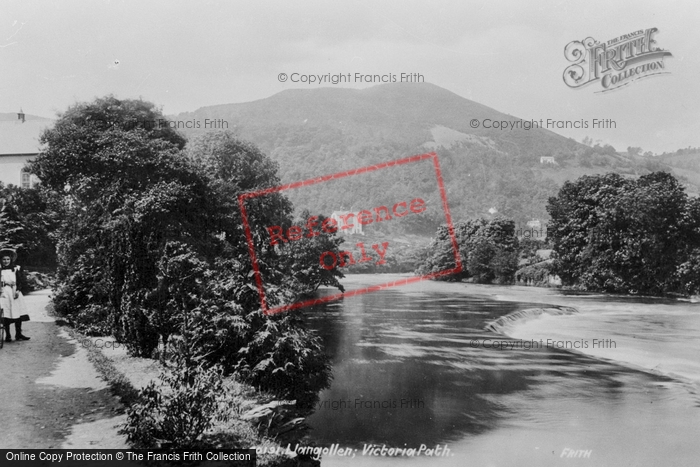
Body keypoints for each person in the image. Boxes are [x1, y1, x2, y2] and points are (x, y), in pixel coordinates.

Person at [0, 248, 30, 341]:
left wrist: (18, 290)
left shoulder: (16, 269)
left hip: (14, 292)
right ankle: (8, 335)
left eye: (8, 259)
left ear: (11, 259)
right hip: (4, 292)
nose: (6, 261)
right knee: (6, 313)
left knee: (18, 312)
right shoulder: (0, 269)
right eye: (4, 259)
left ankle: (18, 334)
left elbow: (20, 281)